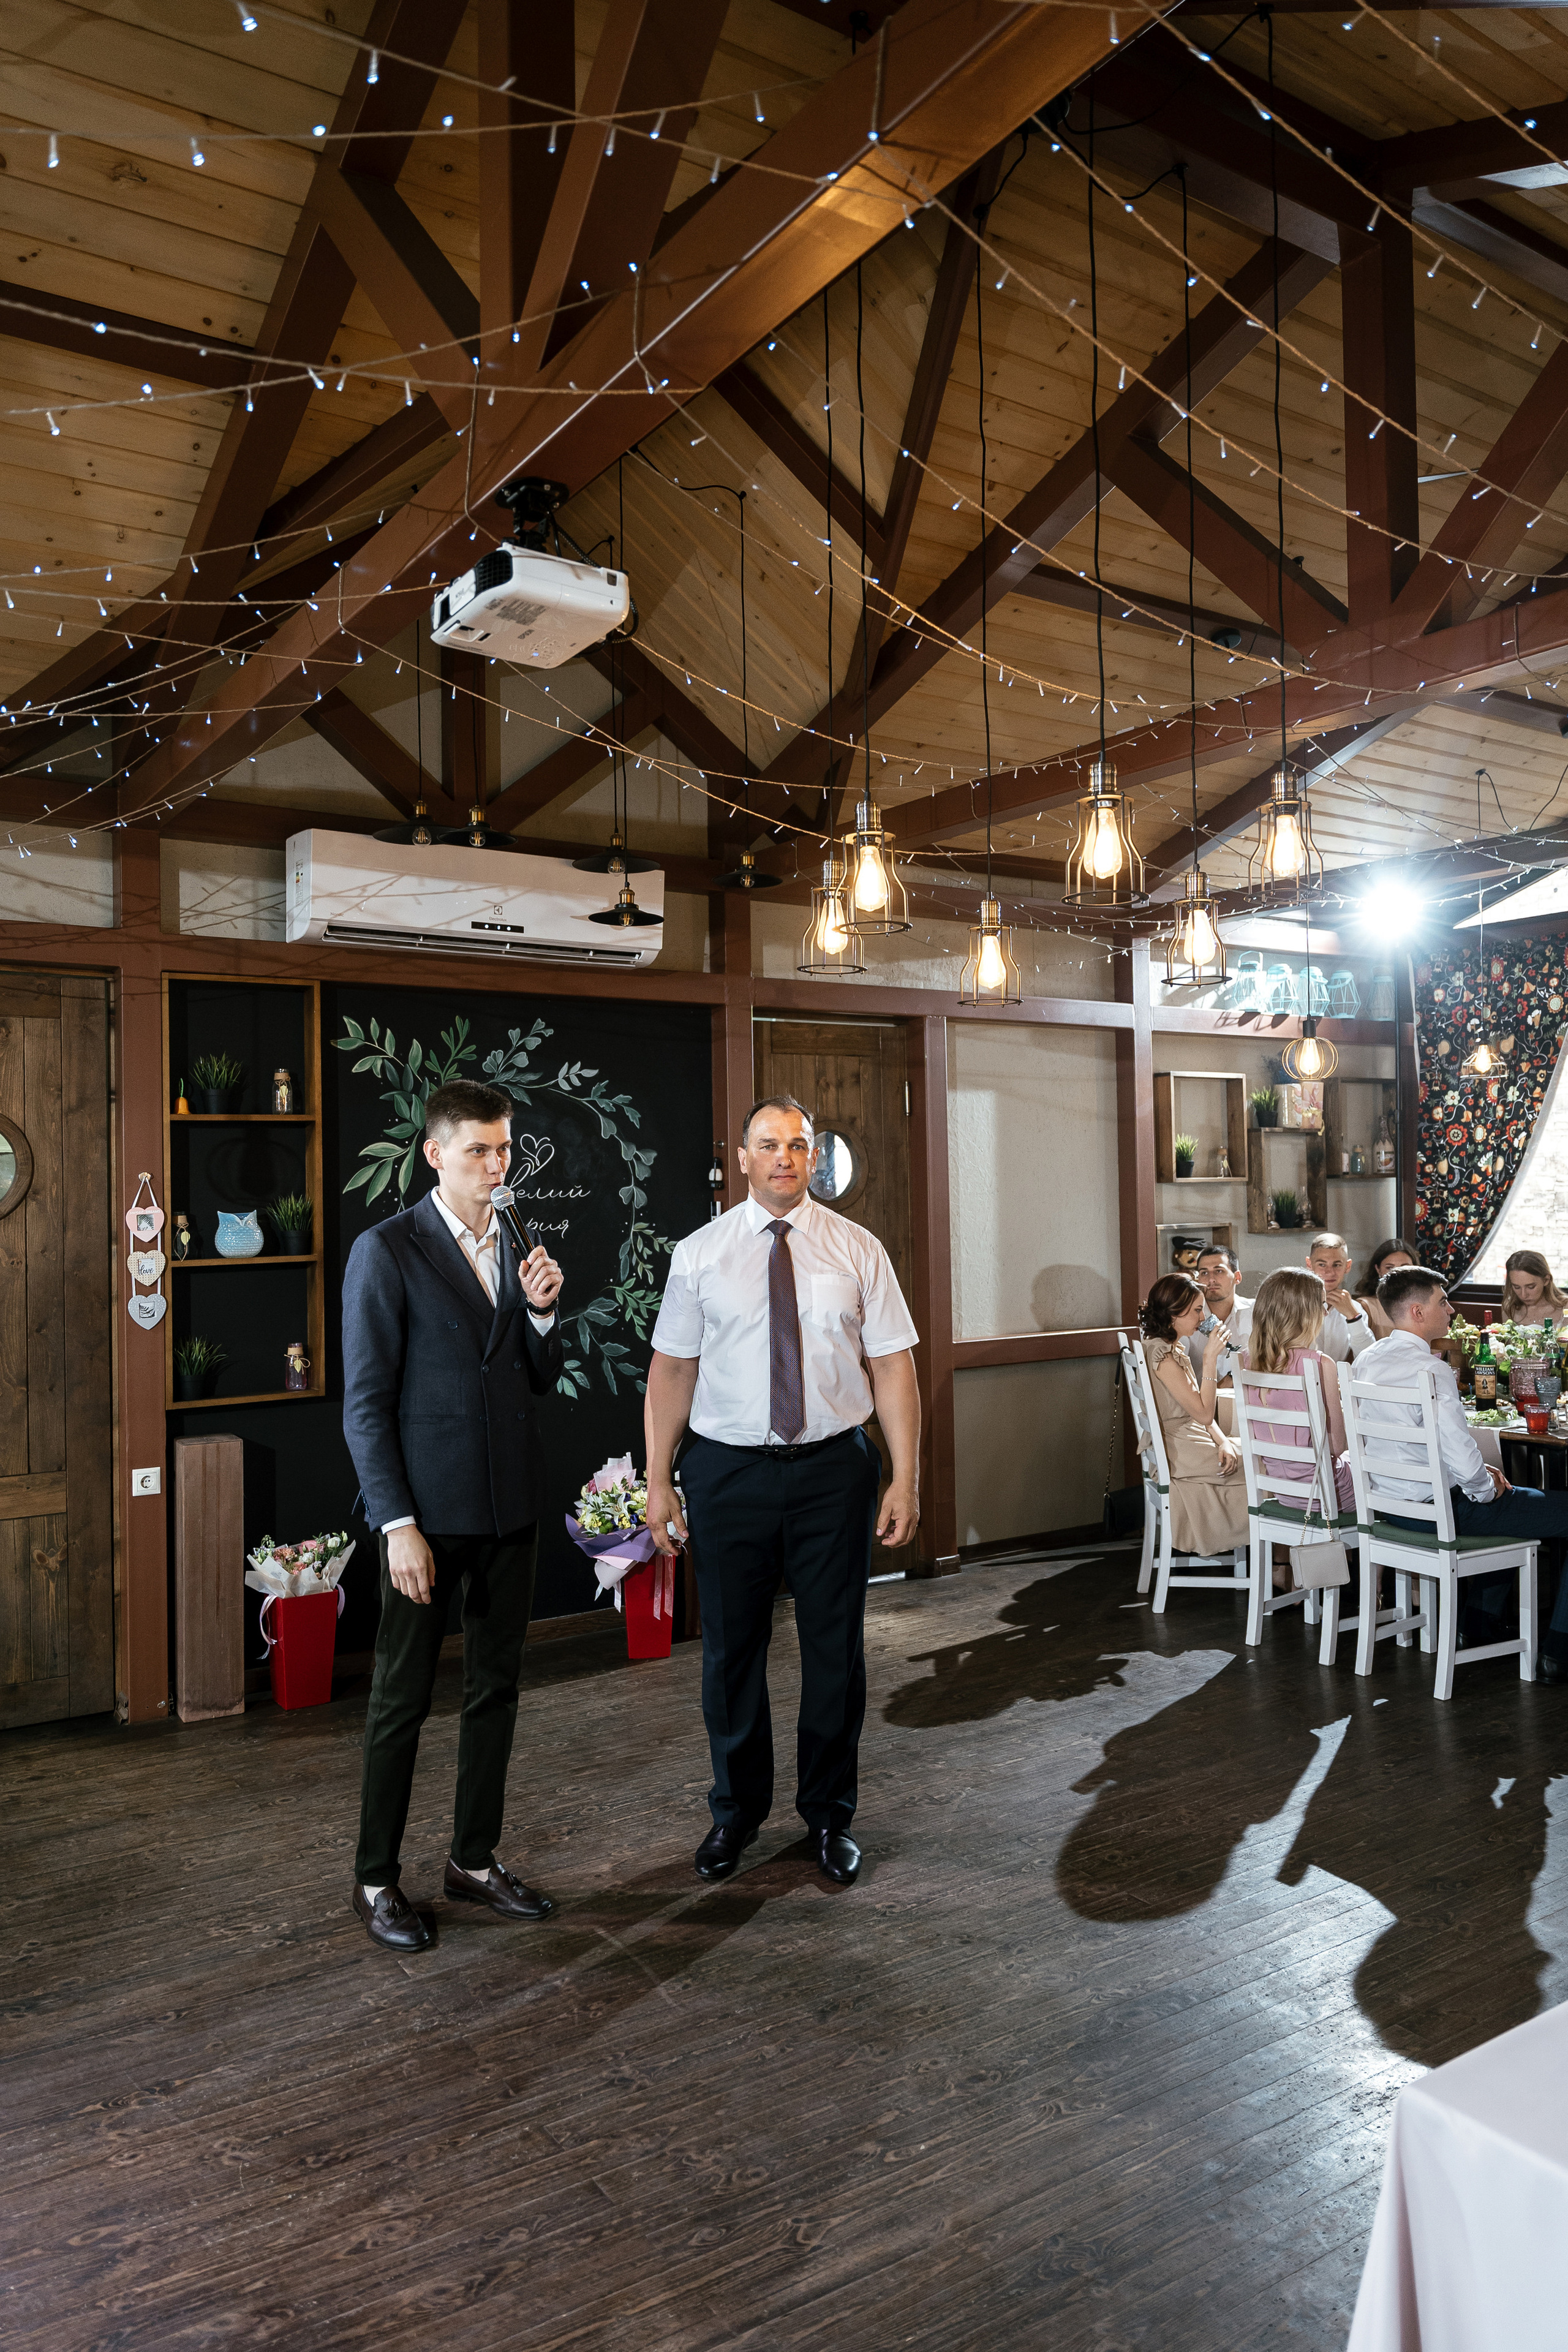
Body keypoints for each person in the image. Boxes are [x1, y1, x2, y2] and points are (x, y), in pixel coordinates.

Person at [644, 1094, 920, 1887]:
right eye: (769, 1145)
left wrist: (907, 1474)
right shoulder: (699, 1254)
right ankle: (735, 1815)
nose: (784, 1158)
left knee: (835, 1653)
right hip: (728, 1473)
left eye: (798, 1145)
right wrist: (660, 1480)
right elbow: (671, 1369)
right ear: (742, 1157)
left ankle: (829, 1819)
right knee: (732, 1654)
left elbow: (894, 1365)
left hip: (835, 1469)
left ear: (812, 1157)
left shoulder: (858, 1248)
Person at [341, 1079, 566, 1951]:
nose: (496, 1164)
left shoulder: (519, 1245)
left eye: (504, 1148)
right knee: (401, 1701)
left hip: (511, 1508)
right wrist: (396, 1524)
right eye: (479, 1149)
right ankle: (374, 1880)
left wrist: (545, 1314)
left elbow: (535, 1378)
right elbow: (366, 1405)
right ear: (435, 1154)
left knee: (496, 1691)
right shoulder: (386, 1250)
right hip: (427, 1524)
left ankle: (473, 1860)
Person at [1353, 1264, 1568, 1681]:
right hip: (1439, 1509)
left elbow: (1423, 1446)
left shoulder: (1367, 1359)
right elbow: (1465, 1464)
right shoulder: (1430, 1369)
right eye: (1442, 1301)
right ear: (1418, 1312)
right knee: (1513, 1503)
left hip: (1392, 1505)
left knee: (1510, 1510)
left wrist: (1480, 1479)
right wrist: (1489, 1490)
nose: (1450, 1310)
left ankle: (1480, 1627)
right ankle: (1558, 1652)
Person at [1138, 1272, 1249, 1555]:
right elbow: (1201, 1413)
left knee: (1261, 1456)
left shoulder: (1169, 1348)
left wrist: (1223, 1440)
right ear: (1174, 1313)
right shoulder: (1160, 1355)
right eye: (1198, 1311)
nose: (1202, 1319)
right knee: (1272, 1465)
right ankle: (1280, 1562)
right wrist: (1211, 1358)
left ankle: (1275, 1562)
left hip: (1190, 1439)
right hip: (1182, 1449)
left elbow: (1198, 1415)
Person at [1243, 1268, 1355, 1513]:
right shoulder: (1320, 1364)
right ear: (1304, 1314)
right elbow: (1338, 1447)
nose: (1326, 1313)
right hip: (1328, 1492)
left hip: (1283, 1491)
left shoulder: (1245, 1361)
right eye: (1323, 1305)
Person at [1185, 1243, 1252, 1383]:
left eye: (1219, 1271)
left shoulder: (1256, 1312)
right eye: (1204, 1273)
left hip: (1251, 1400)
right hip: (1201, 1400)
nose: (1211, 1279)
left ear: (1237, 1277)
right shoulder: (1186, 1316)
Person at [1305, 1232, 1376, 1362]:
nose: (1330, 1272)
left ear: (1347, 1266)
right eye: (1322, 1265)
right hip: (1297, 1380)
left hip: (1337, 1380)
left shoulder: (1356, 1309)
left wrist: (1353, 1317)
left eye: (1337, 1265)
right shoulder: (1294, 1304)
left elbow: (1369, 1358)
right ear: (1309, 1264)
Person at [1355, 1238, 1417, 1342]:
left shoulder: (1426, 1303)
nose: (1397, 1273)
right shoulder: (1366, 1306)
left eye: (1405, 1267)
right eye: (1390, 1268)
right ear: (1378, 1269)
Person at [1500, 1250, 1568, 1322]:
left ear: (1546, 1280)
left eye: (1531, 1287)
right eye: (1517, 1287)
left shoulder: (1565, 1307)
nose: (1524, 1295)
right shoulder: (1510, 1308)